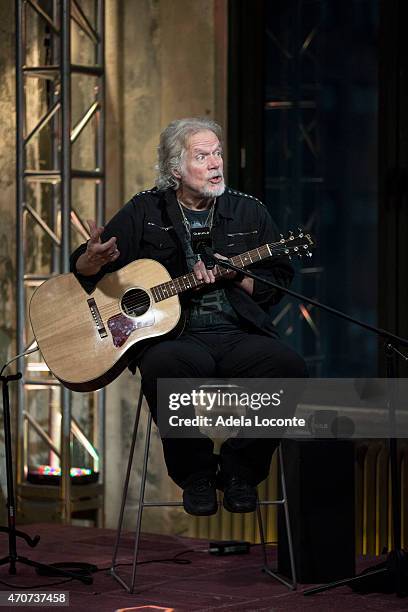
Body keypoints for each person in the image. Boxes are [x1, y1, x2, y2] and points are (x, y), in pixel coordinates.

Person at [70, 117, 307, 516]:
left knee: (290, 367)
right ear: (176, 169)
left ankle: (240, 471)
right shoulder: (145, 210)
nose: (216, 163)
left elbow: (279, 280)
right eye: (202, 156)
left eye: (217, 153)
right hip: (174, 338)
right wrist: (92, 260)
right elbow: (83, 268)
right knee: (163, 368)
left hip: (238, 332)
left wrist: (238, 276)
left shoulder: (249, 212)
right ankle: (196, 474)